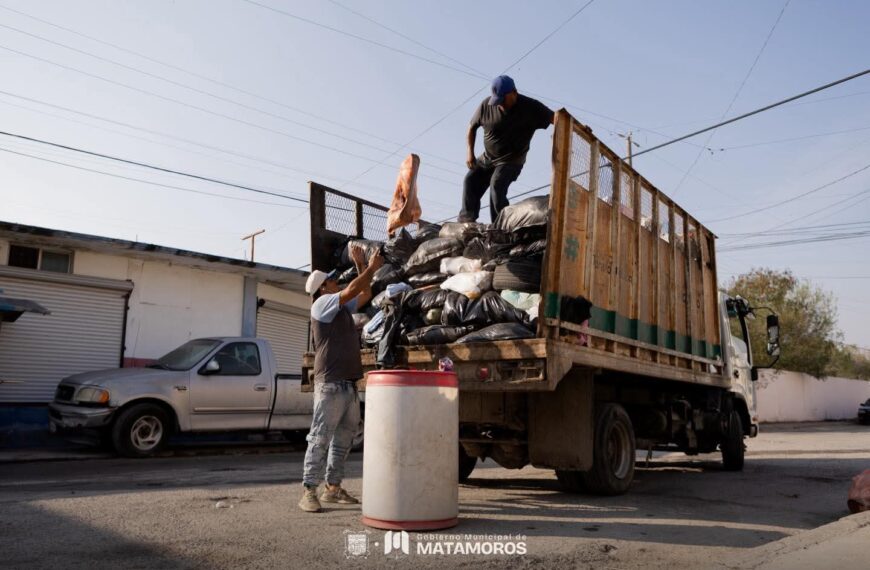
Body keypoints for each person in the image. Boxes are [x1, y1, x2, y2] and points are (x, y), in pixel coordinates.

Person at [299, 245, 383, 513]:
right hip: (331, 383)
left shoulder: (340, 308)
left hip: (348, 383)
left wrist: (362, 267)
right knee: (320, 437)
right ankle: (308, 491)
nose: (336, 282)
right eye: (332, 280)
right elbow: (352, 290)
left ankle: (332, 489)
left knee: (343, 440)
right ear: (322, 288)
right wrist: (370, 268)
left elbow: (364, 293)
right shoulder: (321, 304)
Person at [458, 75, 555, 223]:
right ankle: (466, 222)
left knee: (496, 185)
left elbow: (557, 118)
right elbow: (472, 127)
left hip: (511, 160)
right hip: (488, 158)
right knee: (470, 180)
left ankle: (500, 226)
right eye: (497, 101)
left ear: (514, 92)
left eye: (503, 100)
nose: (500, 104)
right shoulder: (486, 105)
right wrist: (469, 153)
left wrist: (578, 127)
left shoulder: (531, 107)